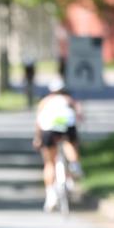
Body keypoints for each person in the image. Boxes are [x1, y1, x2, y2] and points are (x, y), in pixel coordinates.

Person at [33, 78, 82, 211]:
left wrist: (37, 138)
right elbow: (79, 112)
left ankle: (50, 196)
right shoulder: (68, 99)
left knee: (49, 162)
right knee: (69, 143)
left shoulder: (45, 101)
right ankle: (74, 165)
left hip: (48, 128)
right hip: (67, 126)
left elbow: (38, 120)